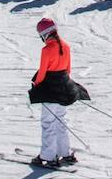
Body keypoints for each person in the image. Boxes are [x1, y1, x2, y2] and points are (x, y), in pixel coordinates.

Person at [29, 17, 88, 167]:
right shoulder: (66, 46)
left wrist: (36, 85)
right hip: (64, 87)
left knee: (48, 123)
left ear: (44, 34)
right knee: (60, 121)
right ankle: (65, 153)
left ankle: (49, 157)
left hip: (50, 89)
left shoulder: (46, 49)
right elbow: (68, 70)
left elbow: (42, 72)